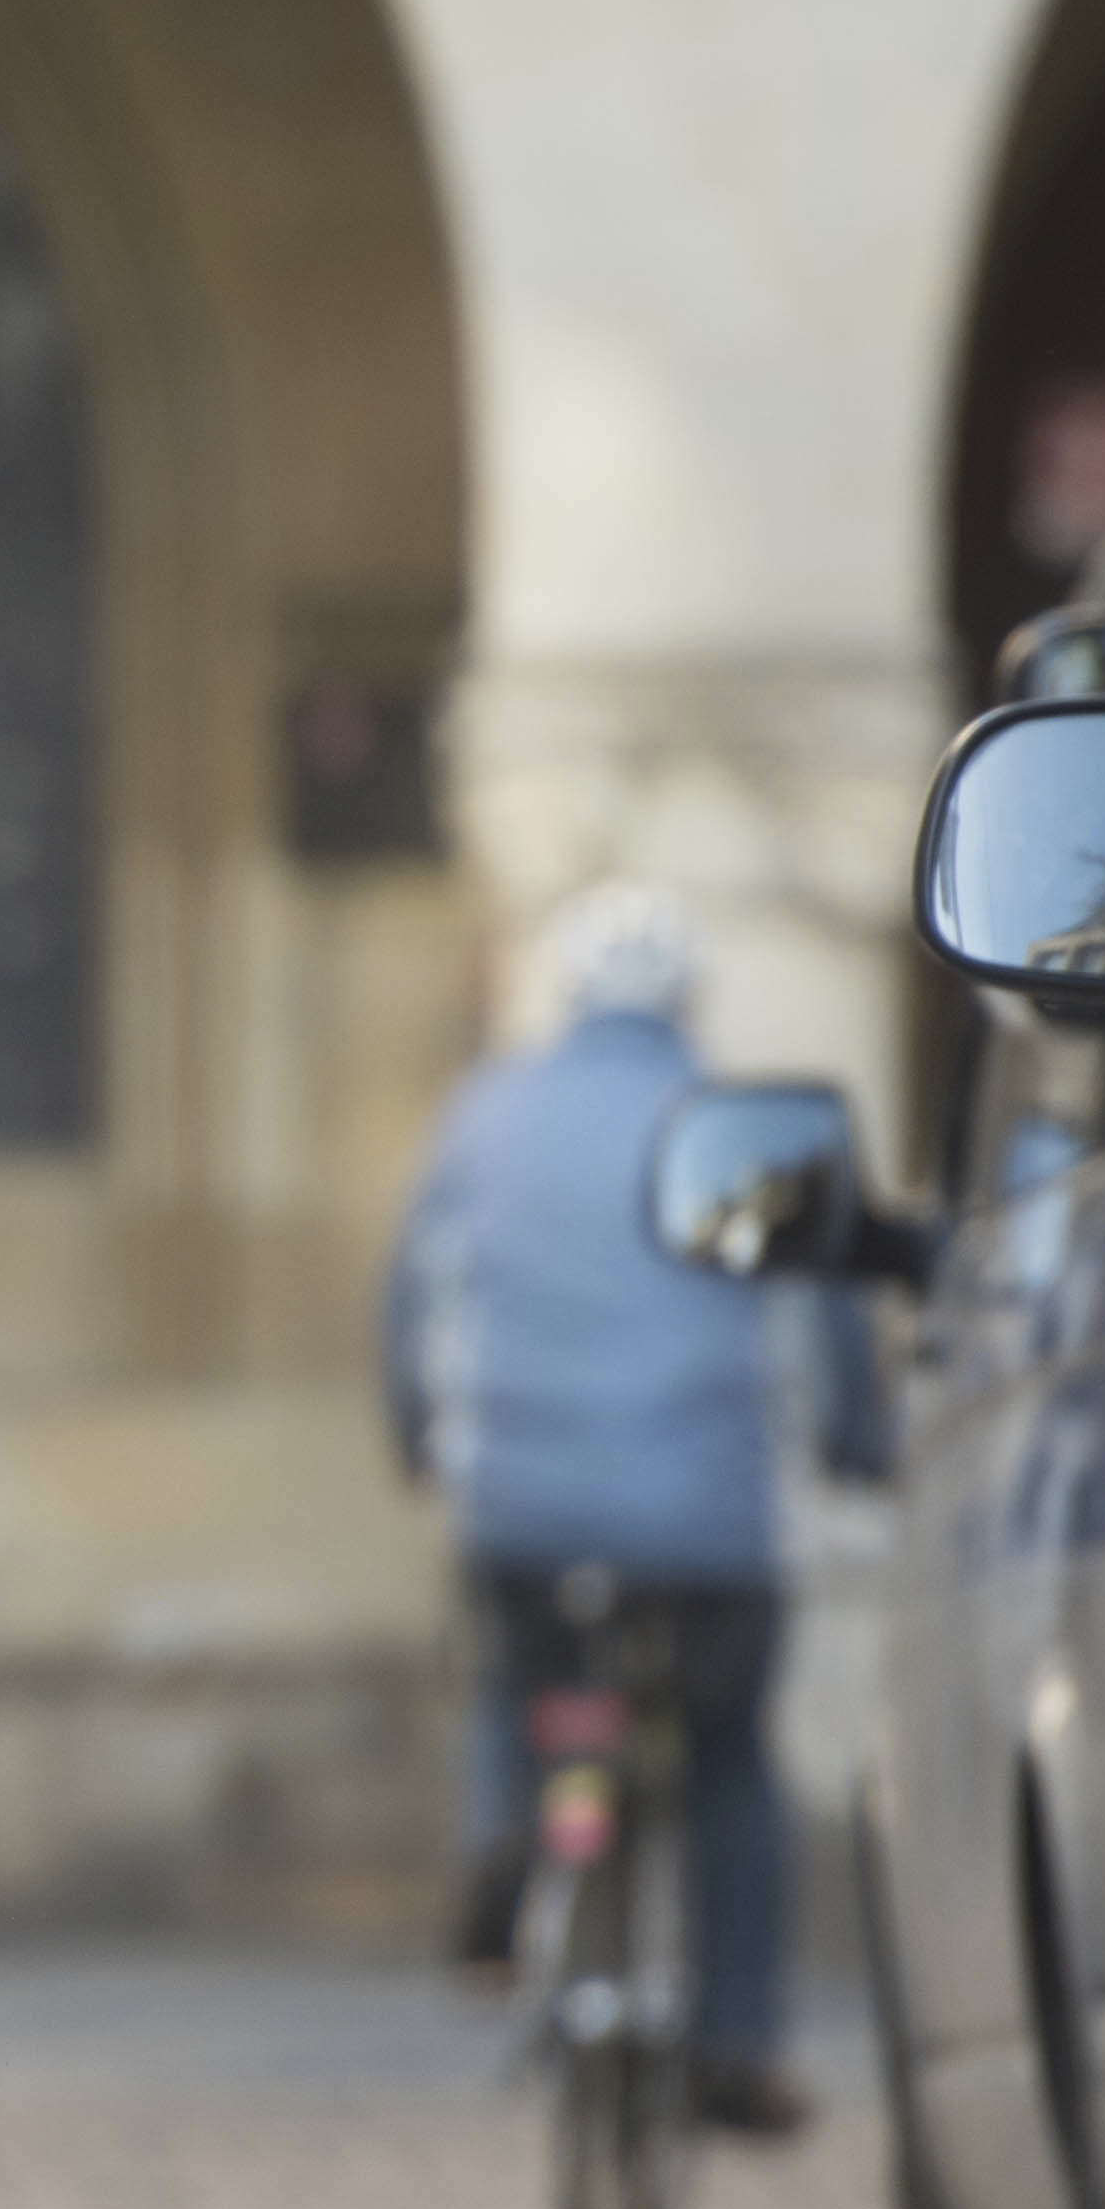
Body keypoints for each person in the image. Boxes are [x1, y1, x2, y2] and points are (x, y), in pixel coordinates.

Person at [382, 882, 816, 2134]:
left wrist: (421, 1438)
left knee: (515, 1682)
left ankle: (506, 1835)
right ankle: (734, 2043)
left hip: (523, 1509)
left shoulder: (484, 1114)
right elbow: (820, 1332)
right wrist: (853, 1444)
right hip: (707, 1531)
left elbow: (411, 1301)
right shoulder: (741, 1122)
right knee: (729, 1760)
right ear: (687, 1001)